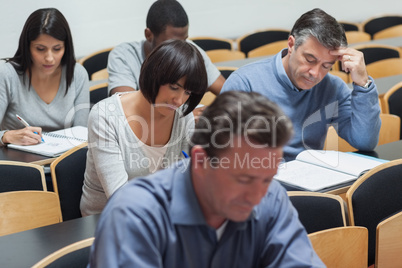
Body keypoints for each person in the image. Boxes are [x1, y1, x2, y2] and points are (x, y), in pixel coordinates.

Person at [88, 91, 326, 267]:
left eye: (267, 179)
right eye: (243, 179)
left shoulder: (271, 198)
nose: (256, 196)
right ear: (201, 162)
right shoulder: (134, 214)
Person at [221, 8, 381, 161]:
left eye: (327, 66)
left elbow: (365, 141)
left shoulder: (332, 87)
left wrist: (363, 83)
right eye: (310, 60)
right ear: (291, 45)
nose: (316, 73)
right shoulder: (244, 83)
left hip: (310, 184)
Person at [80, 39, 208, 216]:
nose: (179, 101)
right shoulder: (105, 116)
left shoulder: (182, 115)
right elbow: (120, 198)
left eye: (187, 92)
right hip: (106, 221)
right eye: (173, 87)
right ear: (154, 75)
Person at [0, 8, 89, 147]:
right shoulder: (7, 75)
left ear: (66, 47)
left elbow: (83, 134)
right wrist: (7, 136)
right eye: (40, 49)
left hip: (64, 161)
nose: (49, 58)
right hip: (20, 163)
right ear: (27, 46)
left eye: (57, 48)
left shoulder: (77, 74)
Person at [107, 0, 224, 97]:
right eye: (171, 43)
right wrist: (182, 116)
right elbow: (126, 107)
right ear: (149, 35)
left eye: (184, 40)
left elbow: (227, 91)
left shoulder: (191, 50)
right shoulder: (123, 56)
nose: (180, 48)